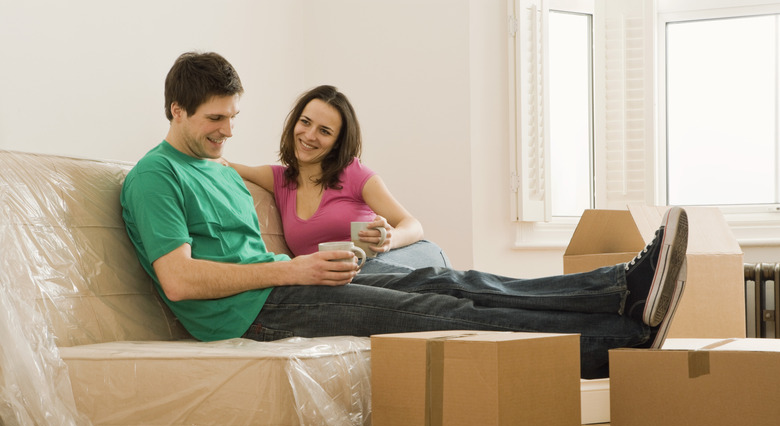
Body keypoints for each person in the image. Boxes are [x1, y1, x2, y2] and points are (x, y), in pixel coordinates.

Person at [120, 51, 689, 380]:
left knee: (451, 279)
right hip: (251, 314)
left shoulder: (219, 168)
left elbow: (274, 190)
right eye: (215, 119)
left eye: (233, 117)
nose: (227, 131)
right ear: (176, 110)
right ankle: (617, 344)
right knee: (437, 310)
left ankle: (622, 289)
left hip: (283, 284)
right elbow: (180, 278)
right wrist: (291, 270)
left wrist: (316, 259)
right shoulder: (155, 176)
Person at [226, 85, 450, 274]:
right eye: (305, 122)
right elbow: (224, 165)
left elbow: (413, 226)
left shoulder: (354, 174)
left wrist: (390, 237)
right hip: (341, 285)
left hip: (387, 264)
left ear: (337, 142)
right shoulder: (279, 179)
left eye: (324, 131)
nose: (310, 135)